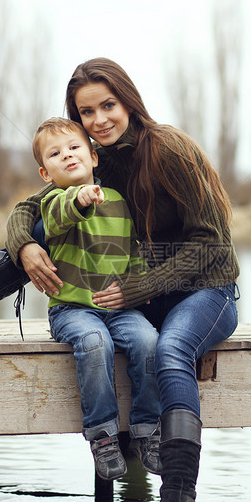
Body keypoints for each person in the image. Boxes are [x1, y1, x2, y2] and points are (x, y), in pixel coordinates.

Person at [0, 57, 239, 502]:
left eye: (107, 105)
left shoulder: (170, 149)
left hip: (205, 288)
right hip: (140, 296)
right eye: (86, 112)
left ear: (128, 102)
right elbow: (34, 206)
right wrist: (25, 245)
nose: (99, 120)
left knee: (173, 349)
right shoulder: (98, 158)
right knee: (47, 227)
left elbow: (213, 245)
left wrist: (138, 287)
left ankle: (177, 497)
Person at [30, 116, 161, 481]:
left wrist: (137, 287)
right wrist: (80, 198)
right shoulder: (53, 202)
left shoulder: (118, 201)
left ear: (94, 157)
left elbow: (134, 254)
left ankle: (147, 428)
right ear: (45, 173)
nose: (68, 156)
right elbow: (60, 215)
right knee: (93, 341)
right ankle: (102, 434)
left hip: (118, 308)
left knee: (149, 341)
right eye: (56, 154)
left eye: (75, 148)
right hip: (72, 310)